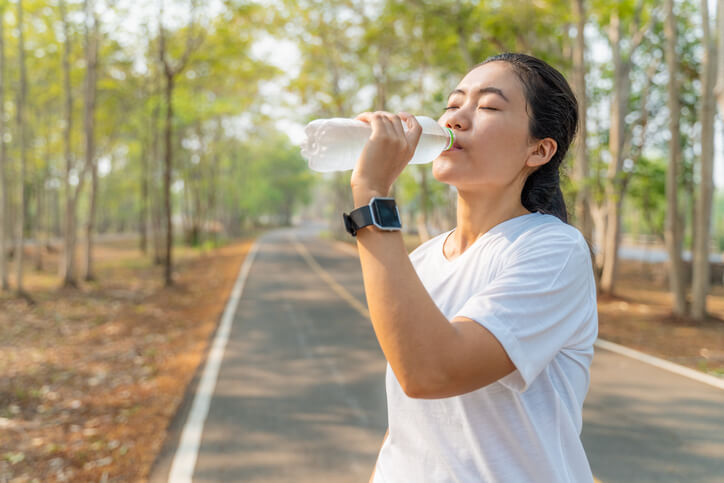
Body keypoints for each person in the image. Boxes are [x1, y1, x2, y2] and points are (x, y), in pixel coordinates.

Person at [346, 53, 598, 482]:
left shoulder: (554, 249)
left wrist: (372, 195)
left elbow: (430, 371)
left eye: (488, 107)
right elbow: (409, 423)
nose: (456, 119)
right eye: (452, 103)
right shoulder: (422, 259)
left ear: (539, 150)